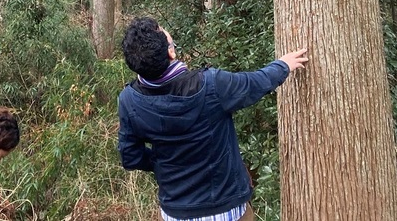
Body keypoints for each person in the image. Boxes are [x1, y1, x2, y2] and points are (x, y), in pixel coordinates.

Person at [117, 16, 308, 221]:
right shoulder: (212, 85)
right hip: (228, 210)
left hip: (176, 212)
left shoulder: (129, 100)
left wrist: (162, 162)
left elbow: (131, 157)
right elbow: (254, 83)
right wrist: (283, 65)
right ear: (171, 52)